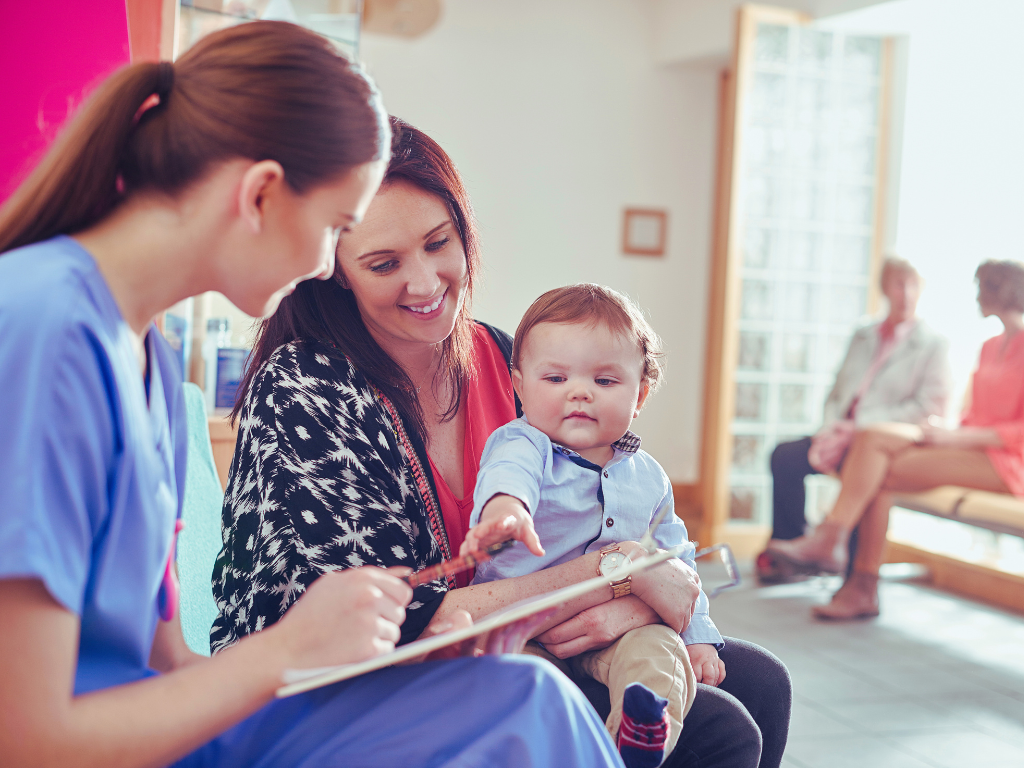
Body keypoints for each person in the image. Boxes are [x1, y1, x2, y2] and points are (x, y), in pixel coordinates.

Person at [0, 22, 623, 768]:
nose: (328, 264)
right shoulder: (44, 329)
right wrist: (287, 648)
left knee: (528, 699)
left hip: (180, 730)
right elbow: (26, 740)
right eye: (336, 229)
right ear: (260, 193)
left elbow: (167, 667)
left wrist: (322, 645)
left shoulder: (149, 364)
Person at [216, 116, 792, 768]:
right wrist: (615, 579)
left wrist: (642, 598)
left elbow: (608, 504)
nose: (428, 282)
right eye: (384, 263)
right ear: (335, 270)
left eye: (439, 243)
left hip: (517, 630)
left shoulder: (501, 354)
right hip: (357, 681)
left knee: (762, 682)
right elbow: (400, 627)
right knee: (719, 731)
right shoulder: (309, 392)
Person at [464, 284, 725, 768]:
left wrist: (699, 635)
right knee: (528, 685)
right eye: (556, 377)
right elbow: (508, 478)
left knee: (660, 655)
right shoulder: (524, 443)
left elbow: (676, 560)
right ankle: (573, 746)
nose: (579, 392)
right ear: (519, 387)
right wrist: (507, 513)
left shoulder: (649, 475)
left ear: (640, 393)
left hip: (617, 630)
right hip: (523, 626)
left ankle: (637, 738)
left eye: (605, 381)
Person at [768, 260, 1024, 620]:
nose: (976, 295)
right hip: (973, 447)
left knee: (880, 472)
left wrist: (959, 437)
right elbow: (978, 412)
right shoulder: (991, 345)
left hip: (1009, 463)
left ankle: (846, 563)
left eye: (981, 287)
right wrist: (950, 432)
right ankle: (854, 576)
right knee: (875, 448)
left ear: (1000, 291)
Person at [756, 257, 950, 583]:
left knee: (864, 474)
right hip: (840, 433)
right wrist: (831, 427)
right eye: (899, 283)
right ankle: (791, 550)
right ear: (885, 288)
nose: (906, 293)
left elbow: (928, 407)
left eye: (914, 284)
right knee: (785, 456)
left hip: (881, 442)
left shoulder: (933, 345)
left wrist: (860, 428)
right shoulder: (863, 335)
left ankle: (850, 574)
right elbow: (838, 390)